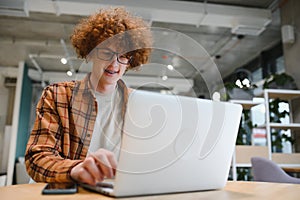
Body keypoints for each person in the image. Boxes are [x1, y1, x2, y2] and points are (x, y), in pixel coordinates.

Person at [25, 7, 152, 186]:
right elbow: (36, 159)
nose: (114, 63)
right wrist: (75, 169)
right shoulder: (57, 95)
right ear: (91, 52)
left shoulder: (137, 105)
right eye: (107, 53)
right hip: (61, 193)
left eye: (123, 56)